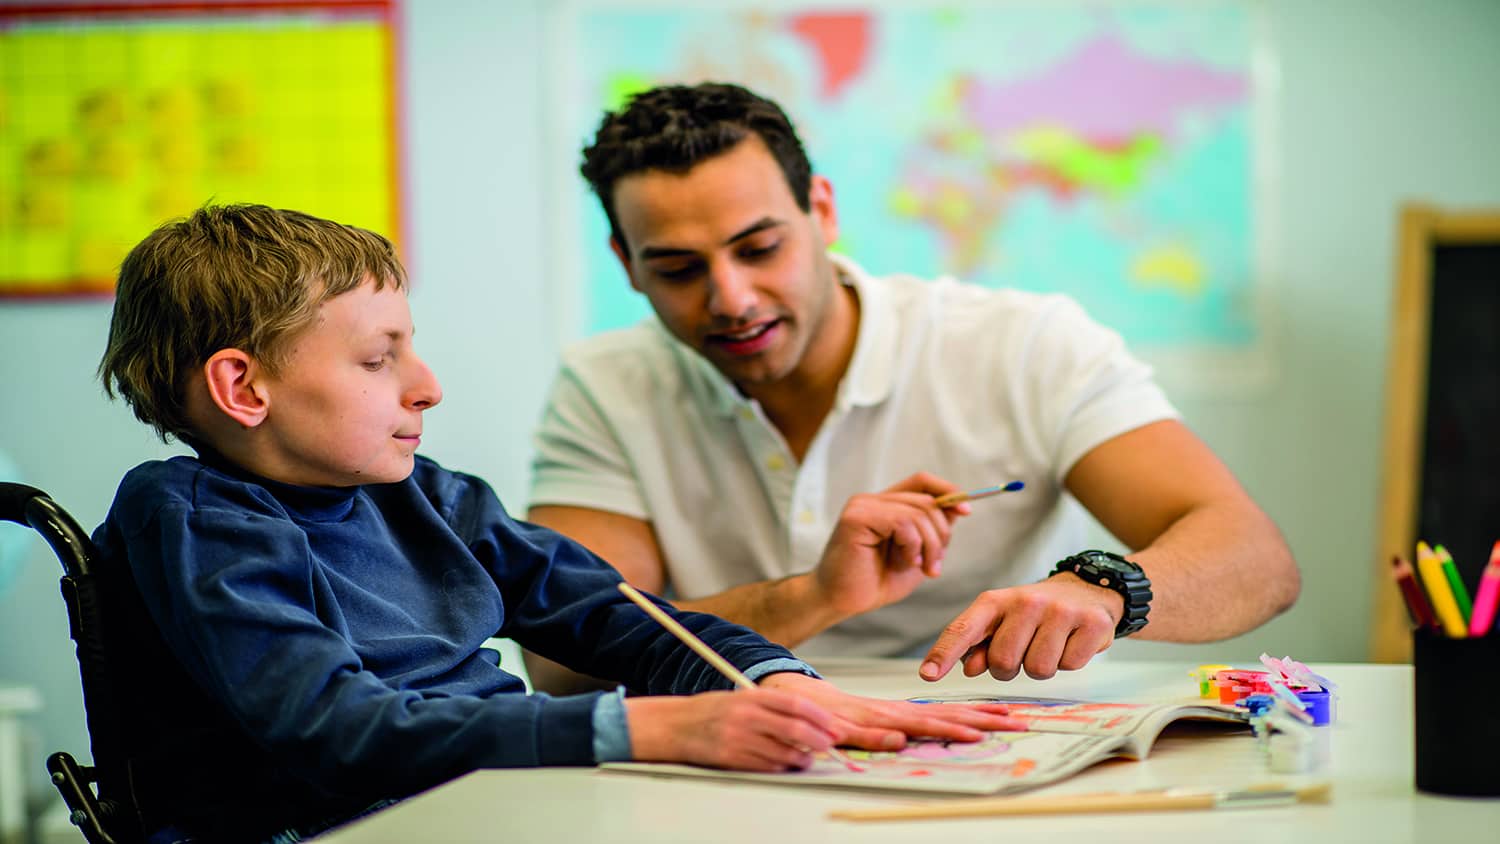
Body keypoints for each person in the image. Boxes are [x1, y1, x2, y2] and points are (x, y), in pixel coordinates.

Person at [92, 204, 1020, 844]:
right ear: (242, 386)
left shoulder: (426, 495)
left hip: (486, 801)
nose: (428, 385)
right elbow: (339, 731)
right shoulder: (190, 517)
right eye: (381, 359)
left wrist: (775, 680)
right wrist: (663, 730)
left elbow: (622, 617)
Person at [525, 82, 1299, 693]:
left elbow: (1256, 558)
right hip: (732, 745)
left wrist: (1103, 592)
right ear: (625, 263)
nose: (731, 298)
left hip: (1003, 742)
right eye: (678, 270)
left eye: (759, 248)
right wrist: (813, 595)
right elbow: (563, 660)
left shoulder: (1025, 344)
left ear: (821, 211)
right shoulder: (605, 386)